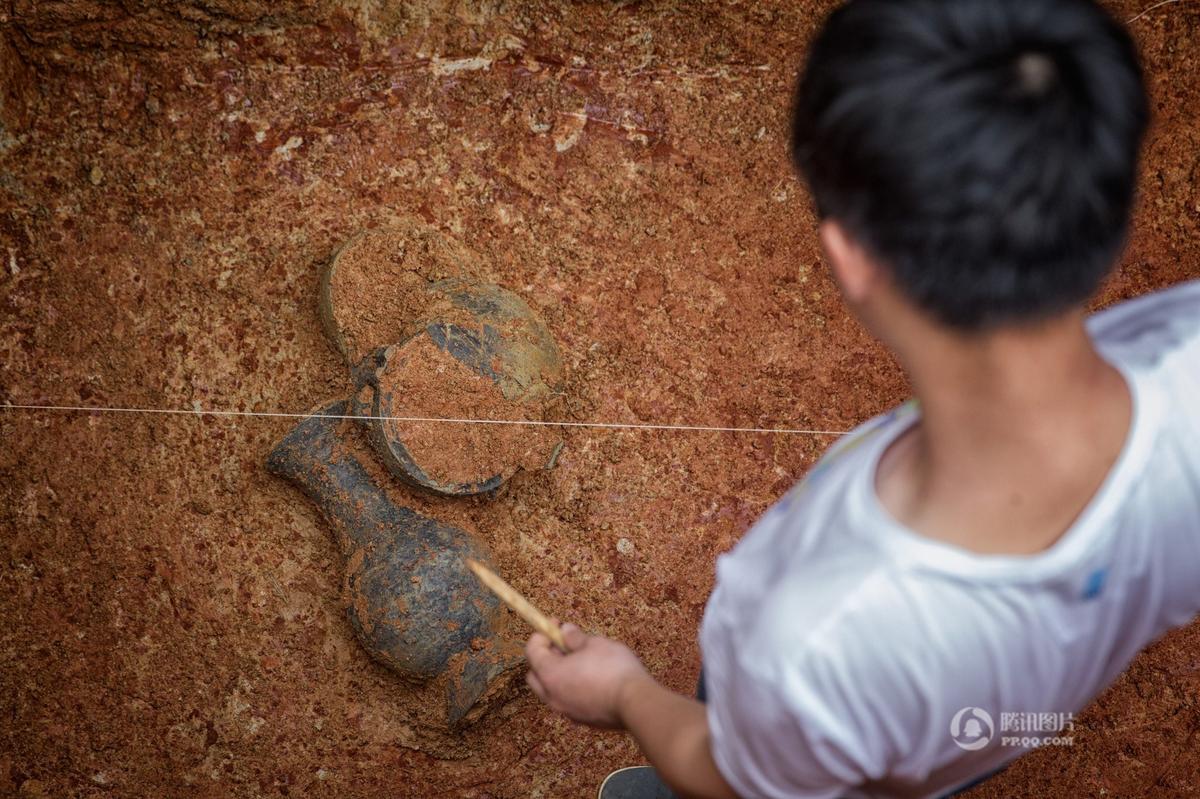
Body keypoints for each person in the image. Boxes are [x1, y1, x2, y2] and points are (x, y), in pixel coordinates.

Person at [523, 0, 1200, 797]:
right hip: (982, 726)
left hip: (806, 733)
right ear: (1110, 220)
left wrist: (626, 694)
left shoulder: (812, 641)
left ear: (849, 256)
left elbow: (727, 772)